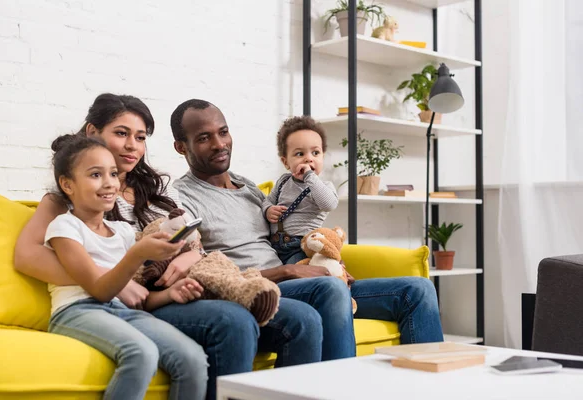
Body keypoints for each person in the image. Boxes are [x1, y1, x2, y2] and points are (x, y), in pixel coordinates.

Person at [14, 93, 319, 400]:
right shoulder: (70, 201)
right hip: (139, 295)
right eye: (121, 133)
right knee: (233, 321)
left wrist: (190, 259)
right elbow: (27, 256)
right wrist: (115, 281)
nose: (133, 145)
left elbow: (193, 241)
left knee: (302, 319)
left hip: (180, 286)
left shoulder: (156, 189)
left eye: (141, 137)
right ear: (93, 133)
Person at [170, 98, 445, 361]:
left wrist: (328, 260)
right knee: (329, 289)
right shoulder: (183, 198)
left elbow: (288, 232)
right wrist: (286, 271)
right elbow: (203, 271)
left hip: (298, 279)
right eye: (204, 138)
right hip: (255, 288)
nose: (220, 144)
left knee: (418, 290)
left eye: (224, 132)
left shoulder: (248, 188)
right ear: (182, 147)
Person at [45, 134, 207, 400]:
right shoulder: (64, 227)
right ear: (67, 184)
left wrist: (169, 294)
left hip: (120, 310)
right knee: (141, 353)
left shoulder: (122, 231)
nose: (109, 183)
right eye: (95, 175)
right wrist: (136, 254)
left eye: (112, 174)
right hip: (76, 312)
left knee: (193, 358)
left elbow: (133, 298)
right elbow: (100, 290)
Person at [262, 116, 338, 264]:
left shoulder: (323, 187)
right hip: (274, 245)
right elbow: (267, 201)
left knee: (292, 274)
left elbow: (329, 204)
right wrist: (268, 210)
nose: (308, 159)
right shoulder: (283, 181)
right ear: (286, 162)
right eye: (300, 154)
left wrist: (309, 176)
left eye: (315, 153)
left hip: (302, 247)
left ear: (323, 156)